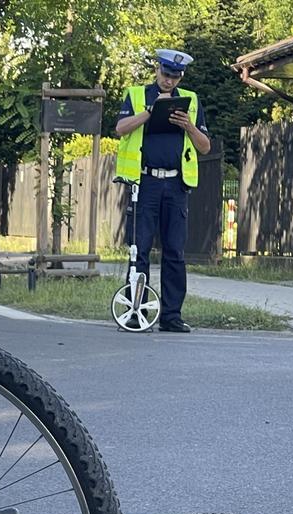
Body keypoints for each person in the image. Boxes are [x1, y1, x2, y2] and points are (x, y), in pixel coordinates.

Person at [114, 49, 212, 332]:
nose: (170, 81)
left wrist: (189, 126)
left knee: (175, 251)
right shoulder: (136, 95)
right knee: (139, 250)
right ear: (157, 71)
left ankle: (171, 316)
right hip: (145, 184)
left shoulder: (190, 101)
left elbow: (205, 146)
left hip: (176, 185)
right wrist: (150, 111)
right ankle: (137, 312)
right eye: (166, 75)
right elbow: (120, 128)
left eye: (176, 76)